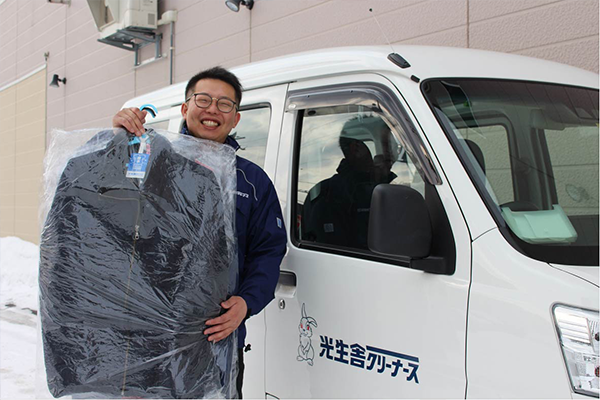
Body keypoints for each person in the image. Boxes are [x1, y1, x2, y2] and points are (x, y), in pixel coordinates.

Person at [112, 66, 287, 398]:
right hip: (144, 335)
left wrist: (247, 302)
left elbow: (268, 251)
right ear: (185, 108)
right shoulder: (147, 160)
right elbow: (105, 208)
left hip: (215, 335)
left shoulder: (251, 181)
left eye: (224, 104)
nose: (212, 110)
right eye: (203, 99)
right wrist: (119, 140)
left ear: (235, 119)